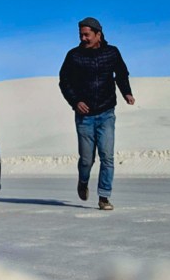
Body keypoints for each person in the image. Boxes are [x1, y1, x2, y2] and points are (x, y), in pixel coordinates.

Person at [58, 16, 135, 210]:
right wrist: (75, 101)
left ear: (98, 34)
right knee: (86, 160)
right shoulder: (74, 56)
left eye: (87, 35)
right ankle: (83, 181)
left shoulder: (112, 52)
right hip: (84, 116)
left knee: (107, 157)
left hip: (106, 112)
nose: (83, 38)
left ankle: (104, 197)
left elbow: (121, 73)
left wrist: (126, 92)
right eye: (81, 35)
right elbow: (64, 81)